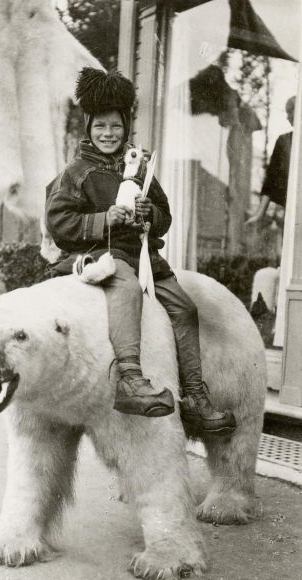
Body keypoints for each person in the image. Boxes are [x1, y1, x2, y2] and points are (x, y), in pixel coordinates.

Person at [45, 67, 235, 434]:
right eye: (100, 126)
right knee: (126, 287)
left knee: (184, 307)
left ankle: (194, 395)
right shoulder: (77, 171)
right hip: (101, 255)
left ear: (126, 127)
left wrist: (151, 213)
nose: (108, 134)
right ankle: (129, 378)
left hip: (144, 257)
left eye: (115, 127)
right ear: (89, 127)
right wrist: (104, 219)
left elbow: (164, 217)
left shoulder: (140, 166)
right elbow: (59, 222)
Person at [246, 95, 295, 231]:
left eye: (290, 111)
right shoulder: (284, 142)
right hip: (292, 212)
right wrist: (259, 214)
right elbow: (271, 182)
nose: (287, 117)